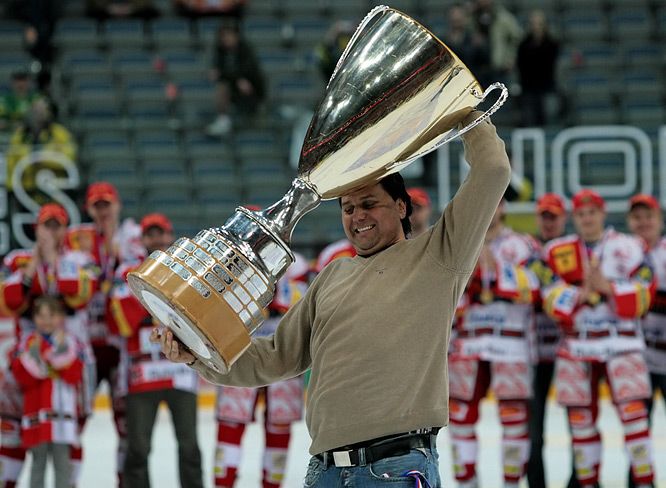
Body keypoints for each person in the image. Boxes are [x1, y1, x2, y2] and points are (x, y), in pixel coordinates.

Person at [154, 111, 512, 487]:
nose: (358, 216)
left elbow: (492, 171)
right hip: (324, 471)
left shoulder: (439, 256)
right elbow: (276, 356)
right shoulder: (332, 276)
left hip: (394, 470)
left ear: (401, 207)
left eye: (370, 203)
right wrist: (198, 351)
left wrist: (464, 114)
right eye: (348, 208)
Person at [542, 189, 656, 488]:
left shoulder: (630, 246)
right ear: (574, 217)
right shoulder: (557, 251)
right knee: (581, 429)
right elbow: (548, 297)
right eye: (581, 214)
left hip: (622, 344)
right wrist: (581, 294)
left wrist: (608, 287)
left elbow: (645, 294)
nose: (587, 218)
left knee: (635, 423)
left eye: (592, 213)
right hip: (578, 345)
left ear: (603, 214)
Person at [0, 203, 98, 485]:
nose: (51, 231)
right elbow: (10, 300)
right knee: (14, 428)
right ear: (37, 228)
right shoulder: (16, 260)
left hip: (73, 357)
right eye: (47, 225)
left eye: (57, 226)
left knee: (72, 431)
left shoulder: (81, 259)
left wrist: (54, 258)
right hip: (27, 359)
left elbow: (78, 296)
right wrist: (34, 263)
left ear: (66, 229)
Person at [107, 212, 204, 488]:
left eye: (160, 233)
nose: (156, 239)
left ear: (170, 235)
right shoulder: (127, 269)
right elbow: (120, 320)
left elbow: (196, 311)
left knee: (189, 447)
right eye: (150, 234)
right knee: (137, 448)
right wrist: (164, 301)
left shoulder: (187, 267)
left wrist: (147, 297)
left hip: (181, 370)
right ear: (142, 238)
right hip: (141, 373)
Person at [448, 200, 540, 488]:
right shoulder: (456, 244)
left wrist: (496, 272)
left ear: (503, 207)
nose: (490, 207)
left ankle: (512, 484)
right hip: (467, 343)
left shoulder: (524, 244)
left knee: (514, 420)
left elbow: (536, 286)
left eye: (496, 202)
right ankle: (467, 484)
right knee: (460, 419)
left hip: (510, 344)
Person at [65, 181, 144, 485]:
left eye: (107, 205)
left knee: (124, 423)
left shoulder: (132, 236)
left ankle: (123, 480)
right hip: (85, 344)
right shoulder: (77, 238)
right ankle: (68, 479)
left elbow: (136, 271)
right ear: (88, 209)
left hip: (118, 343)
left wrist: (115, 253)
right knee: (76, 418)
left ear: (117, 206)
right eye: (97, 206)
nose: (103, 212)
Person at [213, 254, 309, 488]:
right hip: (239, 349)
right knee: (231, 424)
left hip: (284, 350)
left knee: (279, 427)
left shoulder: (300, 265)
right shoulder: (228, 264)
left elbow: (306, 306)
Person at [11, 295, 84, 488]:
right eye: (41, 316)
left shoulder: (70, 342)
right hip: (37, 413)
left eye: (51, 315)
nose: (46, 321)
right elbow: (22, 376)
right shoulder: (28, 342)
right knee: (38, 464)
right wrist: (49, 356)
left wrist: (53, 356)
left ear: (61, 317)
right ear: (34, 318)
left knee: (62, 465)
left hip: (62, 415)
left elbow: (75, 375)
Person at [525, 193, 573, 488]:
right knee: (535, 427)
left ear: (563, 219)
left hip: (566, 349)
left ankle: (578, 480)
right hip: (534, 352)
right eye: (544, 216)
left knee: (578, 422)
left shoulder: (574, 251)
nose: (548, 222)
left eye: (553, 217)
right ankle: (536, 482)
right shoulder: (528, 250)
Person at [625, 194, 666, 488]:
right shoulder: (623, 253)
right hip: (639, 360)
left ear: (659, 220)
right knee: (636, 430)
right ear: (630, 222)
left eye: (648, 216)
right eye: (637, 217)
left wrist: (635, 300)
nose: (643, 223)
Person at [5, 98, 77, 205]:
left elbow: (70, 157)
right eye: (35, 110)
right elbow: (11, 162)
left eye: (42, 110)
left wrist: (42, 157)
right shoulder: (20, 135)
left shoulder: (59, 133)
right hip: (25, 191)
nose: (39, 114)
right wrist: (12, 188)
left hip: (55, 190)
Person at [206, 20, 265, 136]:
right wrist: (235, 78)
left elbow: (249, 71)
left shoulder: (245, 50)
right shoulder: (220, 51)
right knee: (222, 87)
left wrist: (234, 77)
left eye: (228, 35)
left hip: (253, 90)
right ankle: (223, 120)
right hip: (232, 87)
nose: (226, 39)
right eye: (223, 36)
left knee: (240, 84)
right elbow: (217, 71)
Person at [516, 10, 560, 127]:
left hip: (547, 88)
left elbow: (554, 66)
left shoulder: (552, 44)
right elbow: (520, 66)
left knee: (549, 119)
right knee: (529, 121)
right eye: (533, 24)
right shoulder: (524, 45)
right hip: (528, 89)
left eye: (539, 24)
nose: (536, 27)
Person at [470, 0, 522, 86]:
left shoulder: (503, 17)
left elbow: (517, 38)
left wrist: (511, 58)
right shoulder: (473, 17)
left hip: (498, 68)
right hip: (478, 69)